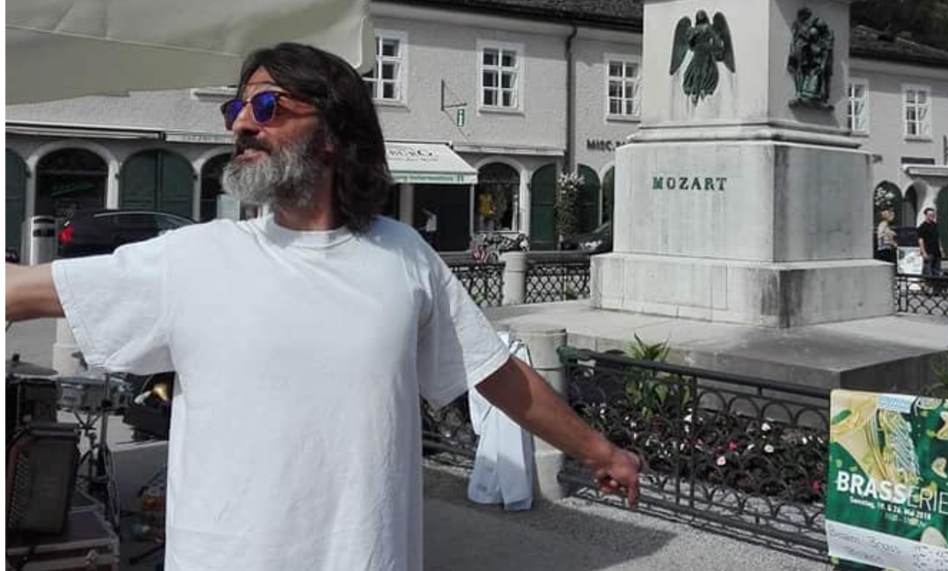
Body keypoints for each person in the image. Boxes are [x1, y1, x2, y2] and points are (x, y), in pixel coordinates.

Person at [6, 43, 641, 571]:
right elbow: (20, 290)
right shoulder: (192, 257)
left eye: (267, 106)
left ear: (335, 134)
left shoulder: (404, 256)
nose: (240, 123)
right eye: (236, 107)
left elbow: (494, 372)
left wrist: (601, 452)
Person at [917, 207, 944, 283]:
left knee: (937, 272)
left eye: (933, 215)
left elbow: (938, 238)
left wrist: (941, 248)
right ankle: (928, 286)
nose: (932, 216)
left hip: (936, 252)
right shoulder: (922, 227)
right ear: (926, 215)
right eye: (930, 215)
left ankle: (936, 287)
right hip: (928, 252)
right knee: (928, 272)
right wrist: (923, 252)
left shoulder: (935, 225)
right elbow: (920, 241)